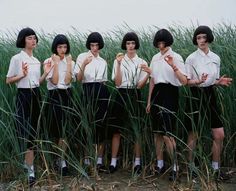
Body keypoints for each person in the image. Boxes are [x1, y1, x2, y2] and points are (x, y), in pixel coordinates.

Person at [185, 25, 232, 180]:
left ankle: (215, 169)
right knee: (194, 133)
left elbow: (214, 79)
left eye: (204, 37)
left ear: (209, 38)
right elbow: (187, 81)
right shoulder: (191, 58)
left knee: (219, 134)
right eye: (198, 38)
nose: (201, 40)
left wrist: (220, 81)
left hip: (210, 94)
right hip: (195, 94)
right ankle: (191, 168)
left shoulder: (216, 58)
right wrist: (198, 81)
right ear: (195, 40)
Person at [6, 27, 51, 186]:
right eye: (30, 38)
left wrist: (45, 73)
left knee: (34, 132)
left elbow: (37, 82)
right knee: (24, 132)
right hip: (23, 96)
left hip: (36, 95)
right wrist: (22, 75)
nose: (33, 40)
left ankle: (29, 166)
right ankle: (29, 170)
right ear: (23, 40)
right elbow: (9, 80)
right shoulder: (17, 58)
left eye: (34, 38)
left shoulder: (37, 60)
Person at [146, 29, 187, 181]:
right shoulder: (155, 57)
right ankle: (160, 164)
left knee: (168, 133)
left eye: (163, 42)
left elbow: (184, 81)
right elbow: (152, 80)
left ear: (168, 42)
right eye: (158, 43)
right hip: (157, 92)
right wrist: (149, 101)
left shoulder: (176, 57)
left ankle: (175, 167)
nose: (160, 46)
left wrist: (173, 66)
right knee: (157, 132)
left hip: (170, 92)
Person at [109, 32, 150, 174]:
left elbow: (139, 86)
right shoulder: (118, 60)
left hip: (135, 94)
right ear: (125, 45)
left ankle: (137, 162)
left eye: (133, 43)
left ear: (136, 44)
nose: (130, 46)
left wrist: (149, 73)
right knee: (116, 130)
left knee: (137, 130)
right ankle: (113, 162)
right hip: (121, 94)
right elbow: (117, 82)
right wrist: (119, 64)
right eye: (128, 43)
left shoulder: (142, 62)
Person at [74, 32, 110, 172]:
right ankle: (87, 160)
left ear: (100, 46)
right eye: (92, 45)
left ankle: (99, 161)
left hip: (101, 91)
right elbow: (78, 79)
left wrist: (104, 96)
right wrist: (84, 64)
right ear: (89, 45)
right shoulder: (82, 57)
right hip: (87, 90)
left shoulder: (103, 61)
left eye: (96, 45)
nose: (94, 48)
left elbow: (104, 81)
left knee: (100, 125)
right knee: (87, 126)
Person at [44, 34, 75, 176]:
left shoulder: (70, 62)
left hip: (67, 95)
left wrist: (68, 64)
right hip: (54, 95)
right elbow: (55, 81)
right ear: (55, 47)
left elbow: (68, 81)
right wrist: (56, 63)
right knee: (55, 129)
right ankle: (56, 159)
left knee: (65, 129)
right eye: (59, 47)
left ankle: (62, 160)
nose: (62, 49)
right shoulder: (48, 61)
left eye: (64, 46)